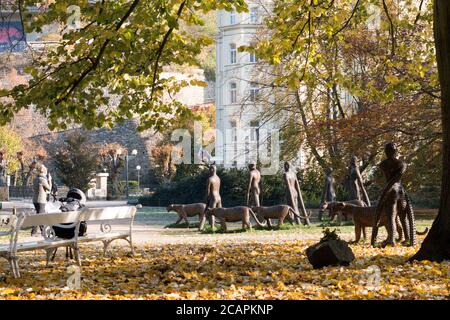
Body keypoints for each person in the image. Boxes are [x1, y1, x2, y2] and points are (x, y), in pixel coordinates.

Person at [283, 161, 309, 225]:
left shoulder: (286, 174)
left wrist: (290, 195)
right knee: (295, 207)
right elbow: (297, 186)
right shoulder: (293, 174)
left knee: (290, 208)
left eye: (285, 165)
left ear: (287, 166)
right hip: (295, 192)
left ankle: (295, 222)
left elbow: (288, 186)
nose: (284, 167)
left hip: (290, 192)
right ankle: (296, 221)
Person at [199, 164, 221, 231]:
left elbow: (207, 191)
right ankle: (222, 226)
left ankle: (212, 227)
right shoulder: (218, 178)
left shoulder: (210, 179)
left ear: (212, 170)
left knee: (210, 213)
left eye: (209, 169)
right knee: (221, 213)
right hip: (219, 198)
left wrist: (206, 200)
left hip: (213, 198)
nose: (209, 171)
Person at [31, 165, 51, 236]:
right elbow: (49, 188)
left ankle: (34, 231)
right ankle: (42, 231)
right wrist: (50, 180)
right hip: (41, 200)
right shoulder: (42, 179)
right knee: (40, 215)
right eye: (45, 170)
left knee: (38, 214)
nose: (46, 171)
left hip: (35, 200)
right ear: (43, 171)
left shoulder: (35, 178)